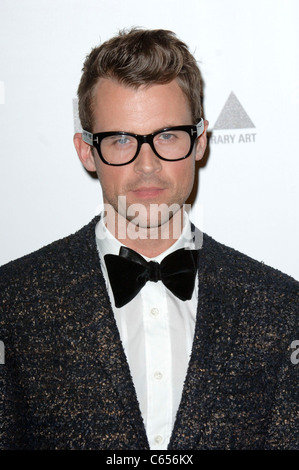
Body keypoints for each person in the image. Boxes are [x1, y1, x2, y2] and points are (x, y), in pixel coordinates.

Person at [0, 28, 298, 451]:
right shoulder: (13, 301)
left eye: (167, 136)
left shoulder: (281, 307)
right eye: (120, 139)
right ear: (86, 151)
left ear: (199, 142)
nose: (147, 165)